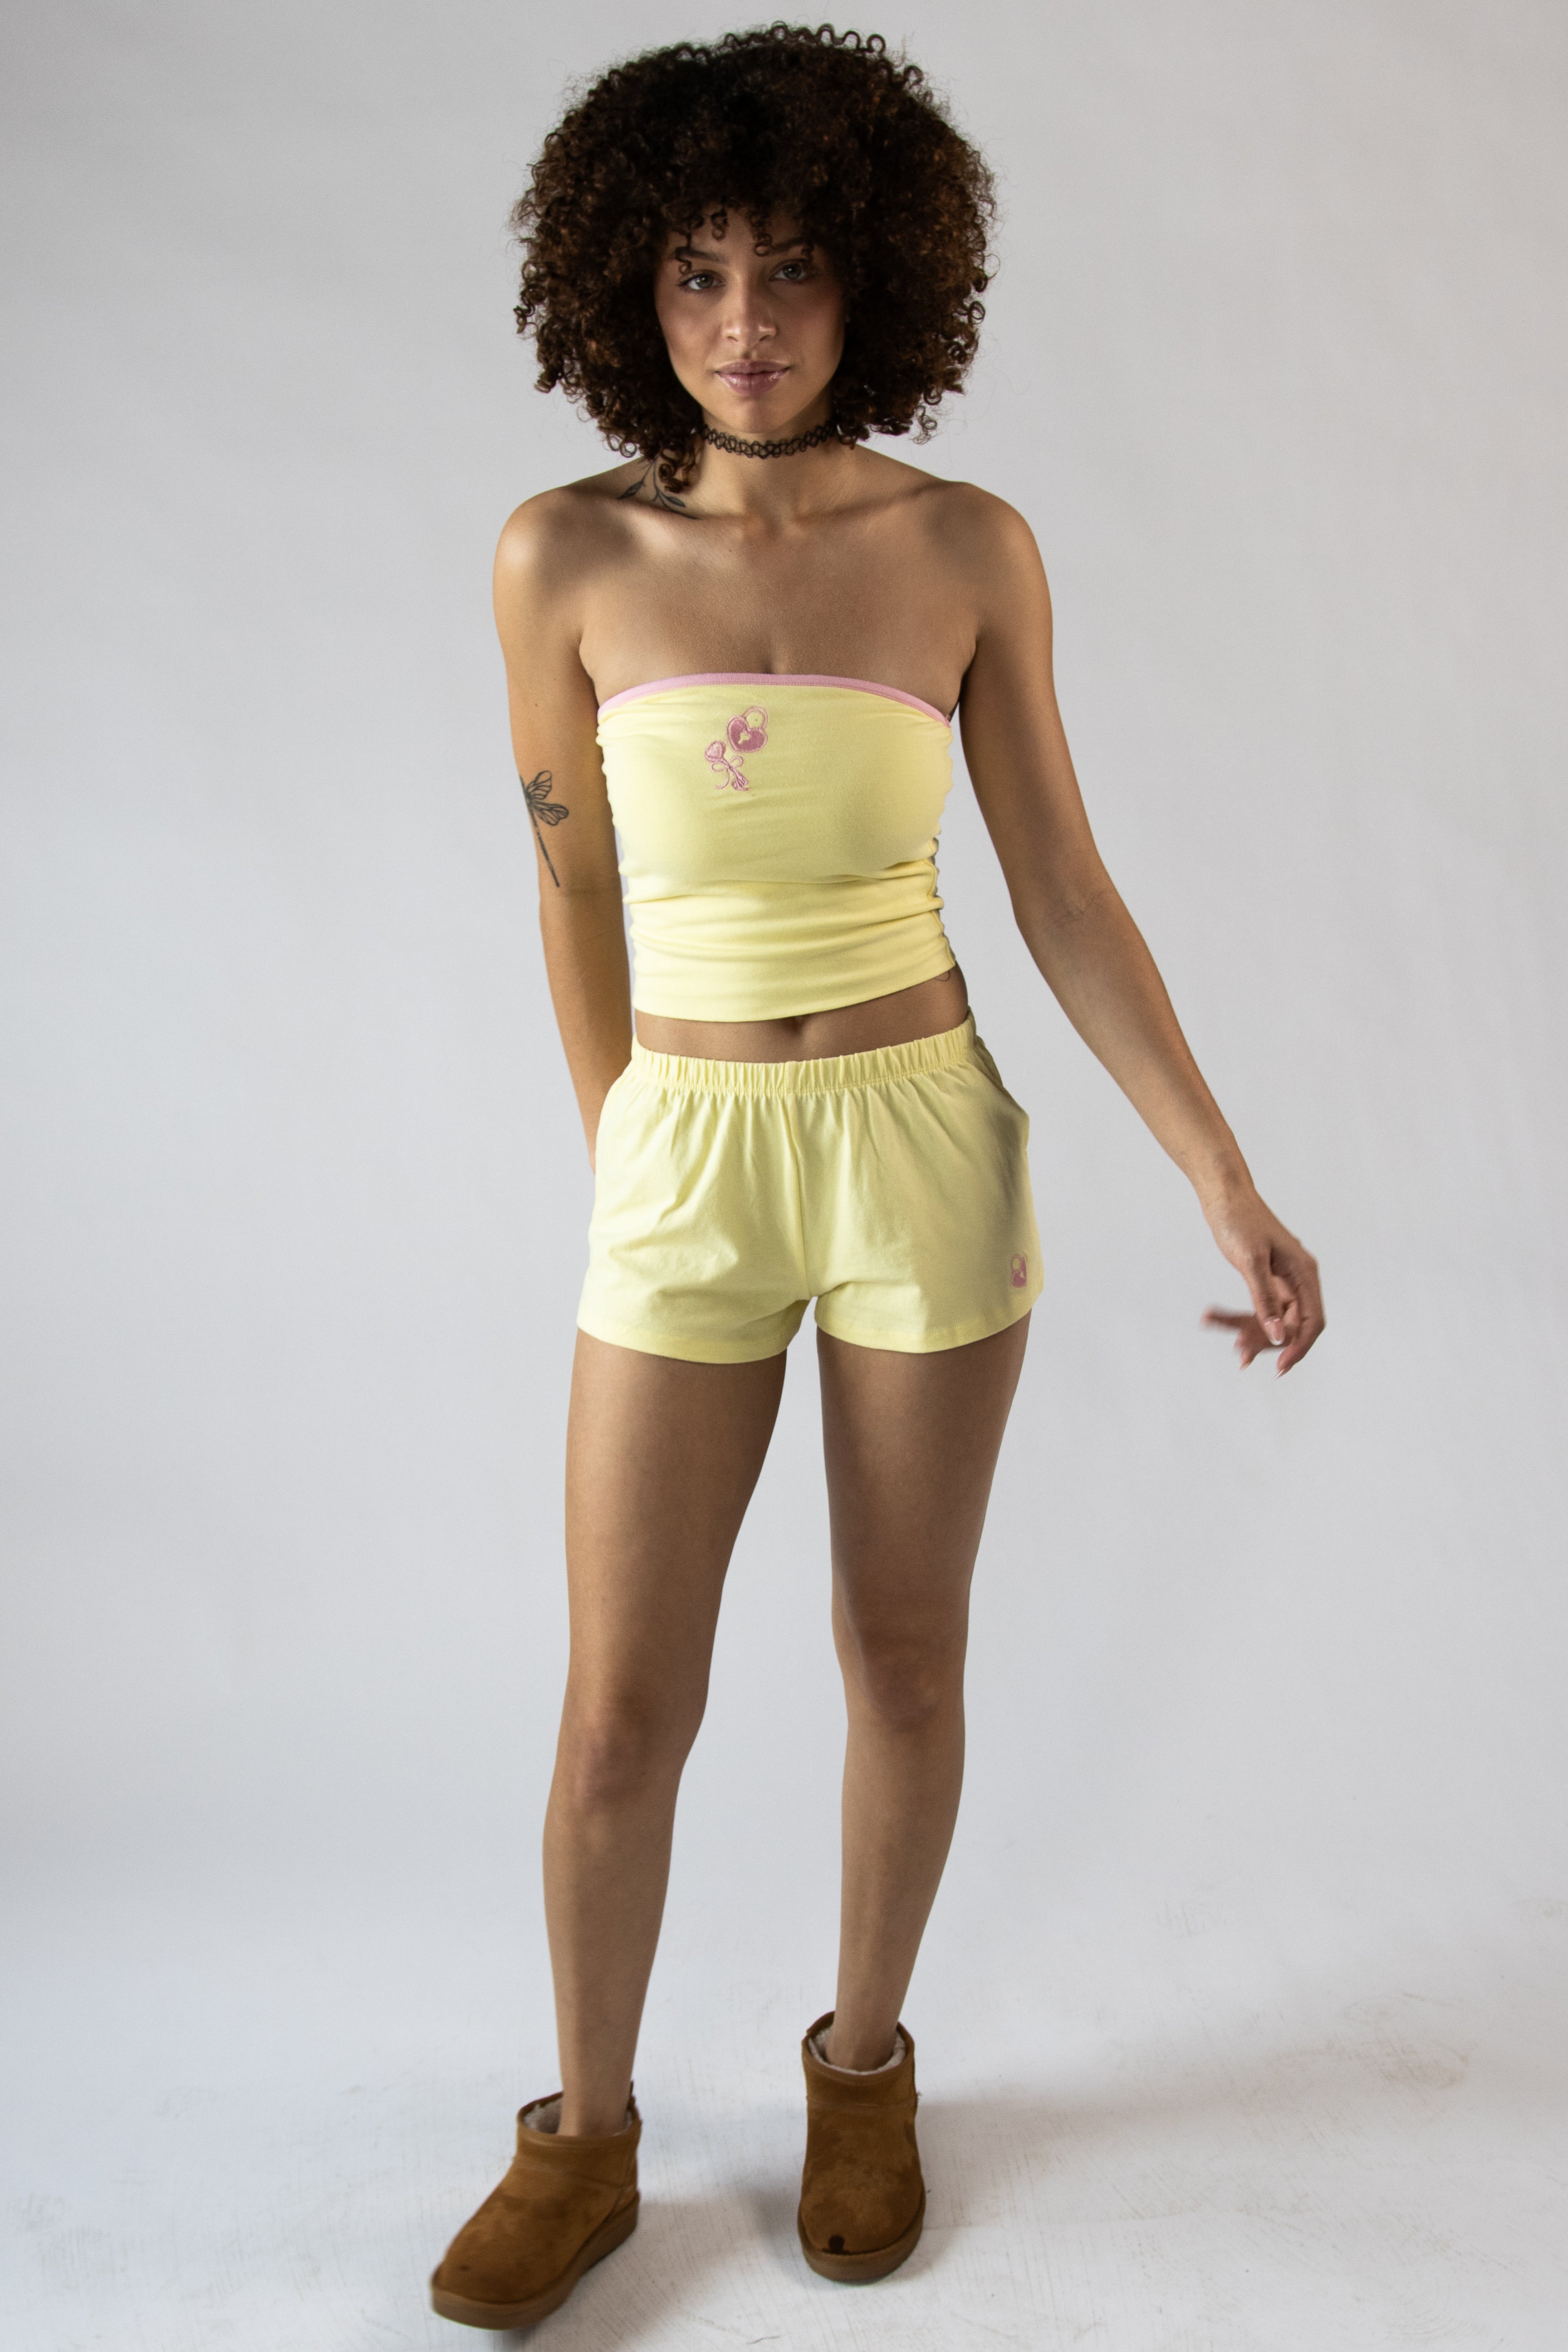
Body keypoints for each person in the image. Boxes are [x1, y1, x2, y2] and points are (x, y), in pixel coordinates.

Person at [429, 23, 1323, 2332]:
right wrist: (629, 1146)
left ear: (876, 282)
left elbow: (1063, 887)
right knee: (619, 1710)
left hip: (923, 1140)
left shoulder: (964, 548)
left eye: (794, 269)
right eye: (698, 272)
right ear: (627, 282)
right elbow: (574, 890)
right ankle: (586, 2140)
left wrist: (1220, 1175)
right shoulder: (561, 556)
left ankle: (860, 2071)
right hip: (689, 1155)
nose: (745, 323)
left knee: (901, 1656)